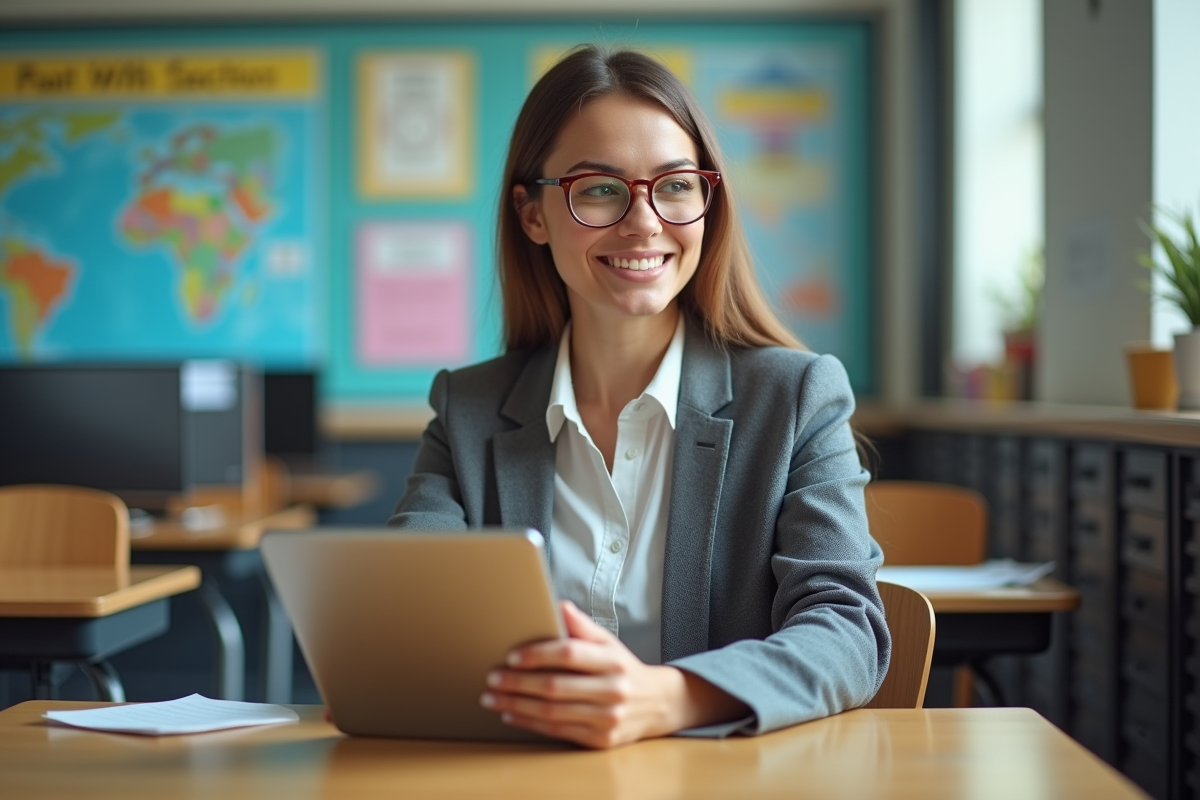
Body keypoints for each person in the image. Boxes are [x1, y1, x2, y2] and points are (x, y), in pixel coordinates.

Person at [388, 45, 889, 749]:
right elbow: (409, 607)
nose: (645, 222)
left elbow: (847, 631)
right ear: (533, 215)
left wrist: (670, 698)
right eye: (600, 189)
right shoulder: (467, 409)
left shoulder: (796, 398)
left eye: (676, 185)